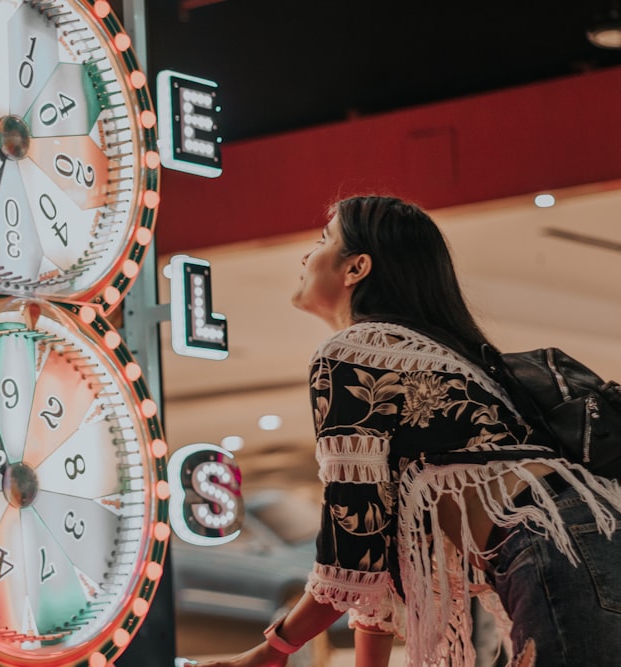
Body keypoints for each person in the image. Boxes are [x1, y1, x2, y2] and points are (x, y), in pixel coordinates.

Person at [197, 195, 621, 667]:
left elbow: (351, 544)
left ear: (356, 268)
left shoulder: (353, 350)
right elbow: (377, 566)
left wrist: (268, 654)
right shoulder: (442, 357)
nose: (305, 256)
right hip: (589, 537)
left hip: (558, 546)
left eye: (322, 241)